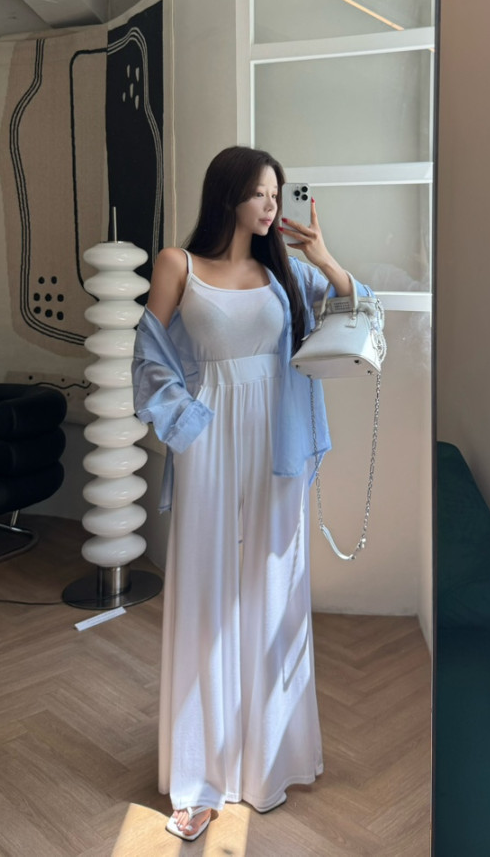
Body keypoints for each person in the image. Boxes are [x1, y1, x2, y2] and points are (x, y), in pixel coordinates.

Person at [131, 145, 370, 841]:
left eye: (277, 194)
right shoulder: (178, 264)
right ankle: (200, 777)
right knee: (205, 590)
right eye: (261, 193)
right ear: (228, 193)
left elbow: (364, 311)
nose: (271, 205)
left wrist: (323, 256)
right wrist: (189, 426)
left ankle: (268, 762)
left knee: (272, 587)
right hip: (208, 437)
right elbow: (148, 358)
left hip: (277, 439)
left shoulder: (287, 272)